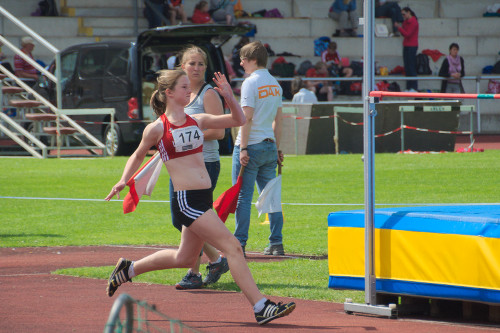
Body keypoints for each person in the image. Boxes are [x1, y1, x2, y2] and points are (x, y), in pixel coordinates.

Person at [104, 69, 296, 325]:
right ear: (169, 93)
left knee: (184, 258)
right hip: (187, 201)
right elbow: (138, 155)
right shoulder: (158, 127)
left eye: (189, 87)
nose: (189, 91)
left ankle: (127, 269)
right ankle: (261, 306)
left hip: (203, 198)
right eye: (184, 87)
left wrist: (229, 96)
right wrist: (123, 180)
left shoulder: (198, 120)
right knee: (233, 247)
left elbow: (238, 120)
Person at [171, 46, 229, 290]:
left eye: (200, 64)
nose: (196, 68)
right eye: (191, 63)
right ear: (182, 67)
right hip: (181, 164)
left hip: (204, 163)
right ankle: (215, 260)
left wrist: (188, 135)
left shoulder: (208, 94)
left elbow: (219, 132)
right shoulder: (181, 94)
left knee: (187, 217)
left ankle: (196, 271)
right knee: (182, 219)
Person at [232, 41, 285, 257]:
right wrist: (278, 148)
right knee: (271, 196)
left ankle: (239, 244)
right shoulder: (275, 84)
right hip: (269, 145)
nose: (241, 62)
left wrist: (243, 148)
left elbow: (246, 118)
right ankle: (276, 242)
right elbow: (279, 121)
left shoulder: (250, 83)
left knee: (243, 197)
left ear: (253, 59)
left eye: (244, 58)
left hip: (250, 145)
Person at [395, 7, 419, 92]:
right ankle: (409, 87)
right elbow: (404, 33)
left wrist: (399, 27)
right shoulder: (406, 22)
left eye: (404, 14)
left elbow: (407, 34)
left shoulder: (413, 22)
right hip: (406, 45)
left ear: (409, 12)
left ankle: (414, 87)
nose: (403, 16)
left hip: (412, 46)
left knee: (411, 67)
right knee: (407, 67)